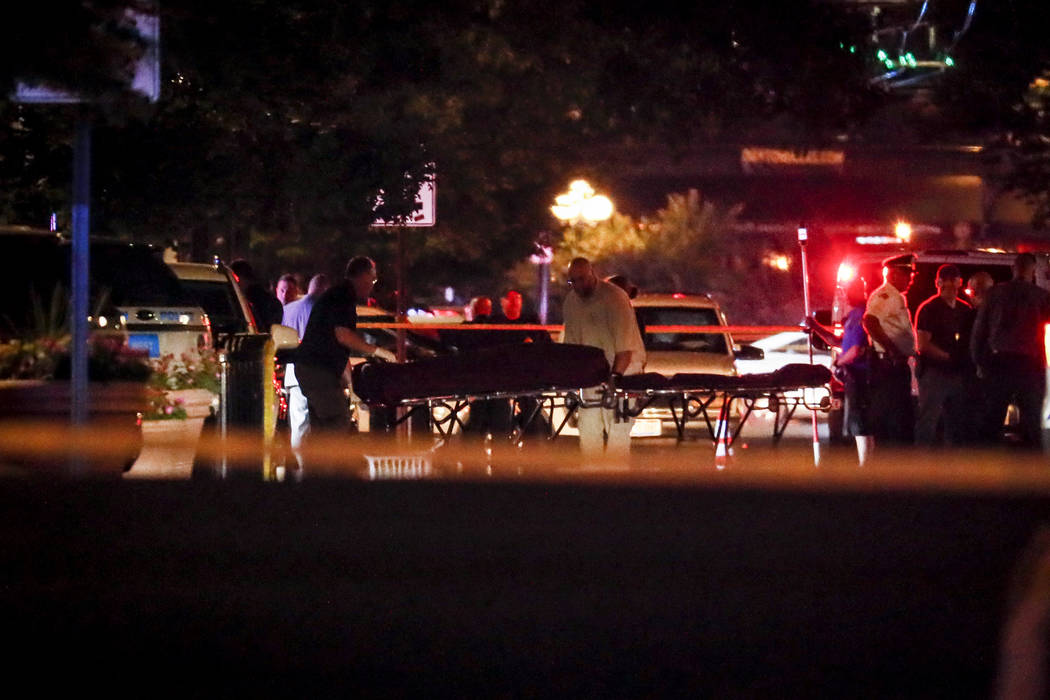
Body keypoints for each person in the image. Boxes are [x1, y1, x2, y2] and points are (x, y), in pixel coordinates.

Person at [294, 257, 395, 441]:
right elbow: (343, 335)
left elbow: (337, 348)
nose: (372, 285)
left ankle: (315, 467)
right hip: (317, 369)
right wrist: (376, 351)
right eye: (372, 280)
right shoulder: (343, 296)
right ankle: (330, 466)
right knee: (337, 420)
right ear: (363, 276)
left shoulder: (338, 294)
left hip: (312, 367)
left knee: (322, 427)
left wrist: (351, 385)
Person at [561, 257, 646, 462]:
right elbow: (572, 347)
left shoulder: (615, 298)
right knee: (589, 435)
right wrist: (572, 382)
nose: (579, 286)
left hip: (624, 373)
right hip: (591, 377)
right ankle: (592, 484)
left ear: (592, 274)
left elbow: (625, 348)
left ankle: (615, 485)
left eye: (582, 279)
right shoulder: (571, 302)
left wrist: (615, 378)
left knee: (618, 435)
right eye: (573, 281)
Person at [970, 253, 1050, 449]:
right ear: (1032, 271)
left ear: (1012, 269)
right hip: (1030, 364)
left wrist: (980, 362)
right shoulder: (1040, 296)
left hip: (999, 362)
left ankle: (985, 468)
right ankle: (1034, 471)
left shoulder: (994, 294)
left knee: (991, 421)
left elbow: (979, 333)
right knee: (1032, 423)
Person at [808, 277, 873, 464]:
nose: (847, 295)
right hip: (853, 377)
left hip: (860, 376)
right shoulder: (852, 317)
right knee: (857, 424)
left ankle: (865, 466)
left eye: (853, 290)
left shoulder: (862, 316)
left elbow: (855, 350)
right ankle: (865, 464)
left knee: (861, 425)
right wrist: (815, 327)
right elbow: (838, 342)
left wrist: (838, 363)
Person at [913, 264, 975, 447]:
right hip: (935, 373)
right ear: (939, 283)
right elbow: (923, 345)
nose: (949, 285)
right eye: (946, 281)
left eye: (953, 281)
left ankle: (953, 466)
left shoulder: (965, 310)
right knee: (928, 421)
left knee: (956, 423)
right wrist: (948, 358)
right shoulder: (930, 309)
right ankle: (922, 464)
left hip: (957, 374)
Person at [862, 257, 918, 445]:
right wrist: (892, 350)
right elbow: (869, 321)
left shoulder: (897, 296)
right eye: (906, 275)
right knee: (891, 419)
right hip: (888, 366)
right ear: (893, 274)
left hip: (895, 365)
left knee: (899, 418)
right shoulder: (886, 295)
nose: (910, 279)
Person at [280, 273, 331, 470]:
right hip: (318, 372)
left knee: (299, 422)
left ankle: (300, 465)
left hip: (294, 373)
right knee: (319, 422)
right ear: (325, 289)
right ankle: (316, 466)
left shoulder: (288, 310)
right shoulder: (322, 310)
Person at [230, 259, 283, 331]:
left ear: (238, 278)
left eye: (233, 280)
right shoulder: (271, 301)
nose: (232, 285)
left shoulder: (262, 302)